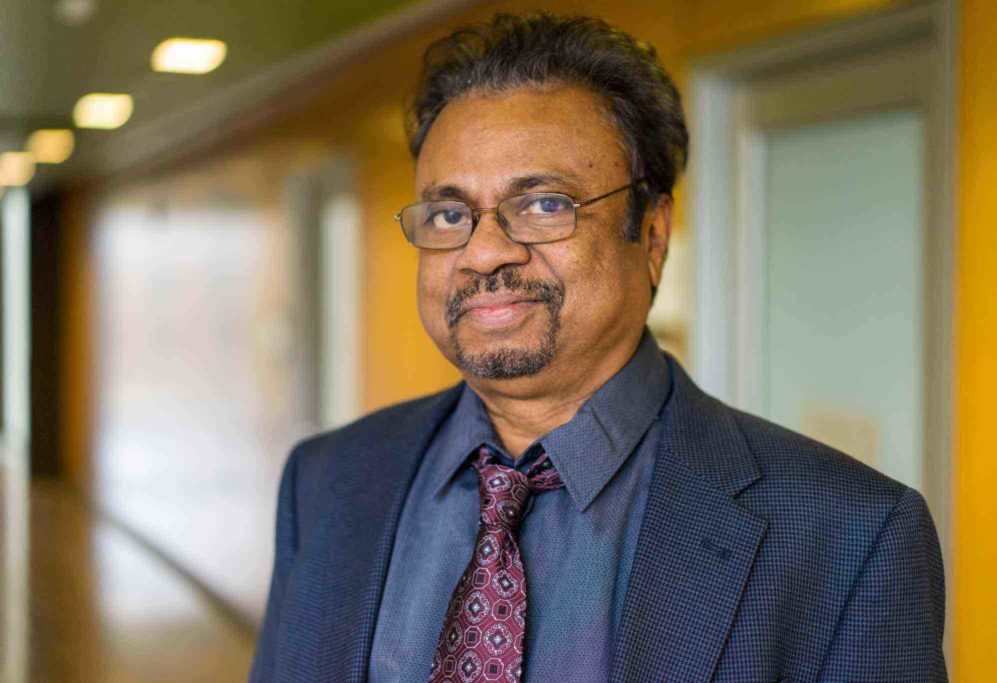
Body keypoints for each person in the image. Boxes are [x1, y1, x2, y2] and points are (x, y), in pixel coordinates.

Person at [250, 13, 946, 683]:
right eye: (449, 213)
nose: (484, 251)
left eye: (545, 203)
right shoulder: (327, 484)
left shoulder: (847, 536)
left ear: (652, 234)